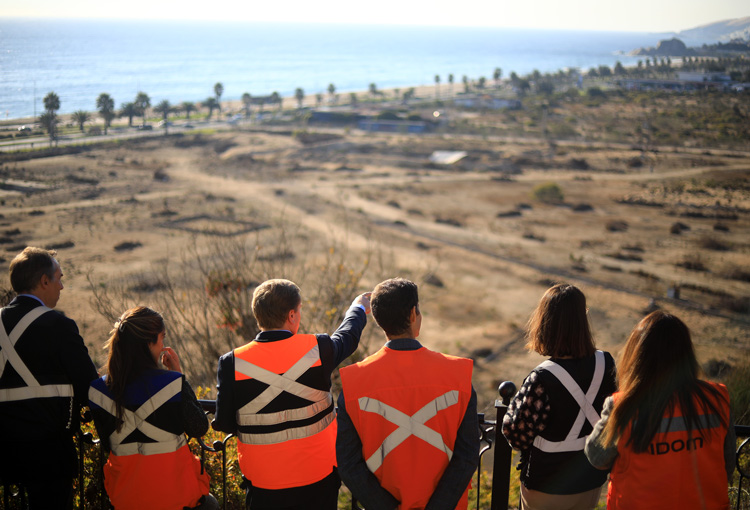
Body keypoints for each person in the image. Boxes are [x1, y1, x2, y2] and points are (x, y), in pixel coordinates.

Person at [213, 279, 371, 510]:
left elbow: (225, 423)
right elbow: (348, 336)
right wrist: (357, 307)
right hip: (318, 478)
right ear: (291, 315)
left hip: (264, 484)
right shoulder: (318, 349)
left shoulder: (231, 363)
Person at [337, 277, 479, 510]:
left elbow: (349, 464)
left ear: (380, 321)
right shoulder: (458, 375)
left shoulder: (354, 381)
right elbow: (468, 454)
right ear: (413, 314)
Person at [585, 311, 735, 510]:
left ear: (639, 356)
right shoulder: (717, 399)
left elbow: (596, 457)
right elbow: (728, 464)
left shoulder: (623, 406)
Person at [88, 306, 218, 510]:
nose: (163, 345)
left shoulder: (97, 390)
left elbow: (107, 444)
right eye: (161, 338)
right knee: (210, 504)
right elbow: (199, 427)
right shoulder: (172, 383)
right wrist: (179, 378)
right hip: (177, 497)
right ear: (150, 342)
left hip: (126, 498)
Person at [502, 283, 616, 510]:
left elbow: (516, 436)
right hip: (590, 479)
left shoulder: (543, 377)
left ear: (546, 322)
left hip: (547, 485)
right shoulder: (606, 363)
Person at [0, 247, 98, 509]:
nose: (62, 286)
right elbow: (89, 387)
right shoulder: (59, 326)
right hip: (49, 455)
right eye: (59, 278)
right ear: (45, 281)